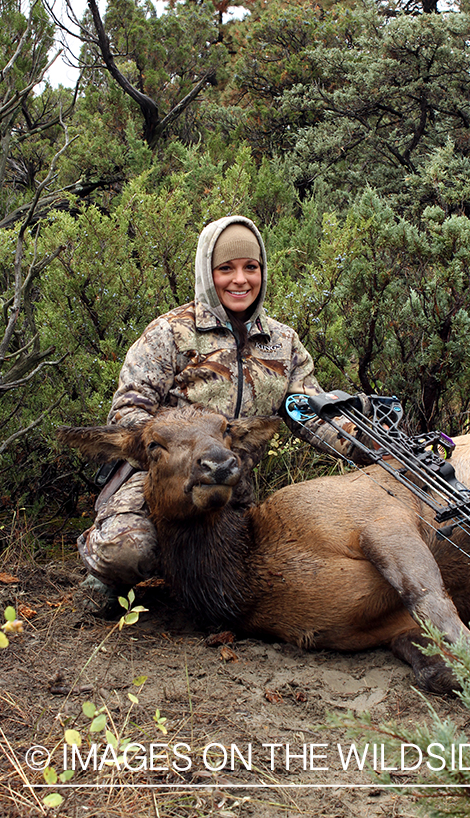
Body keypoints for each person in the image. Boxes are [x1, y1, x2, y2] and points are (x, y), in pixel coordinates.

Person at [77, 215, 368, 610]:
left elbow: (309, 412)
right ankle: (100, 566)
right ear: (206, 272)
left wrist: (361, 442)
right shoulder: (170, 332)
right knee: (129, 553)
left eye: (251, 267)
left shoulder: (283, 343)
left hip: (231, 484)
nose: (240, 280)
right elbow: (129, 408)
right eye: (225, 268)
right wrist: (175, 440)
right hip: (163, 478)